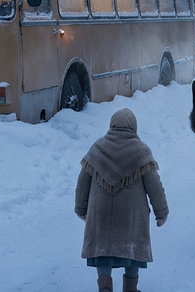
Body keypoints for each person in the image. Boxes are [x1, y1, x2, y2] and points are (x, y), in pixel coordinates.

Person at [75, 108, 169, 292]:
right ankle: (130, 289)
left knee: (102, 249)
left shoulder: (97, 148)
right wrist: (161, 212)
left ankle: (104, 287)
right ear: (133, 127)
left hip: (100, 212)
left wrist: (81, 208)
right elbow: (154, 185)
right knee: (132, 248)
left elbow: (82, 182)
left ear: (112, 124)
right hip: (131, 213)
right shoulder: (141, 151)